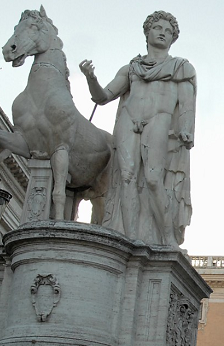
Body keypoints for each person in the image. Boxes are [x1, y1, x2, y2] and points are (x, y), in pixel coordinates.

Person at [79, 11, 195, 247]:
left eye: (168, 31)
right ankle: (128, 240)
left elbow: (186, 105)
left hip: (159, 121)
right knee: (126, 177)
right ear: (147, 32)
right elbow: (103, 97)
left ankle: (168, 237)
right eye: (158, 28)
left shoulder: (181, 68)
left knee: (154, 179)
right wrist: (91, 78)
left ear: (173, 38)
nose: (162, 33)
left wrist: (186, 129)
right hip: (129, 120)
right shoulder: (131, 68)